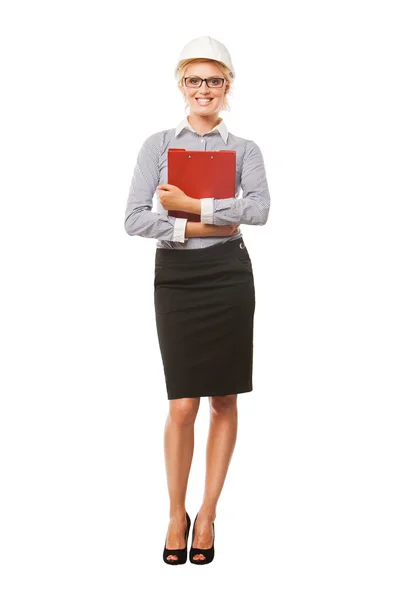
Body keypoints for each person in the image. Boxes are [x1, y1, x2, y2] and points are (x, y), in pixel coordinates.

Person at [124, 36, 271, 565]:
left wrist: (189, 203)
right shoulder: (158, 144)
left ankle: (207, 513)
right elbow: (134, 218)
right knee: (182, 403)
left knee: (224, 399)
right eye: (194, 79)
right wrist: (204, 219)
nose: (204, 89)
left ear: (227, 85)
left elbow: (257, 213)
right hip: (178, 275)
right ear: (181, 85)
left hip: (229, 273)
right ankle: (174, 512)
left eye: (214, 79)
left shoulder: (245, 150)